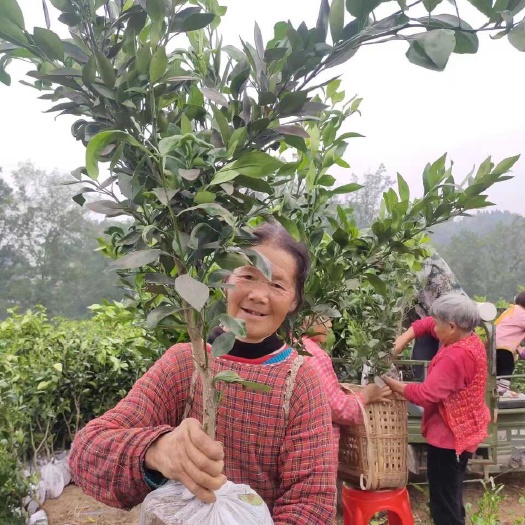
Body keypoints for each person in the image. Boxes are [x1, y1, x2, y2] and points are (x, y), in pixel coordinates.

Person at [69, 223, 337, 524]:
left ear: (294, 300)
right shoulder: (186, 364)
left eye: (277, 285)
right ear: (225, 280)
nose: (259, 295)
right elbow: (86, 454)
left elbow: (312, 502)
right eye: (248, 276)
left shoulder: (300, 380)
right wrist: (156, 452)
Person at [382, 294, 490, 525]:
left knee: (443, 504)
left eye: (439, 324)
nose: (435, 327)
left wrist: (391, 383)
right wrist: (403, 339)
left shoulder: (456, 356)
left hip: (449, 439)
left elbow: (425, 394)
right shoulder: (468, 337)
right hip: (465, 431)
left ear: (451, 326)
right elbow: (428, 324)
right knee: (451, 494)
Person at [301, 317, 391, 463]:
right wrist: (366, 396)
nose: (330, 324)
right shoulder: (313, 354)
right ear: (306, 319)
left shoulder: (288, 345)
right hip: (315, 454)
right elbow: (338, 408)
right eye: (324, 319)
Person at [495, 291, 525, 397]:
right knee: (507, 367)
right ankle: (502, 391)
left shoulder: (510, 310)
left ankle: (497, 389)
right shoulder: (523, 314)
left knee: (498, 369)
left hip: (494, 344)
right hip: (505, 346)